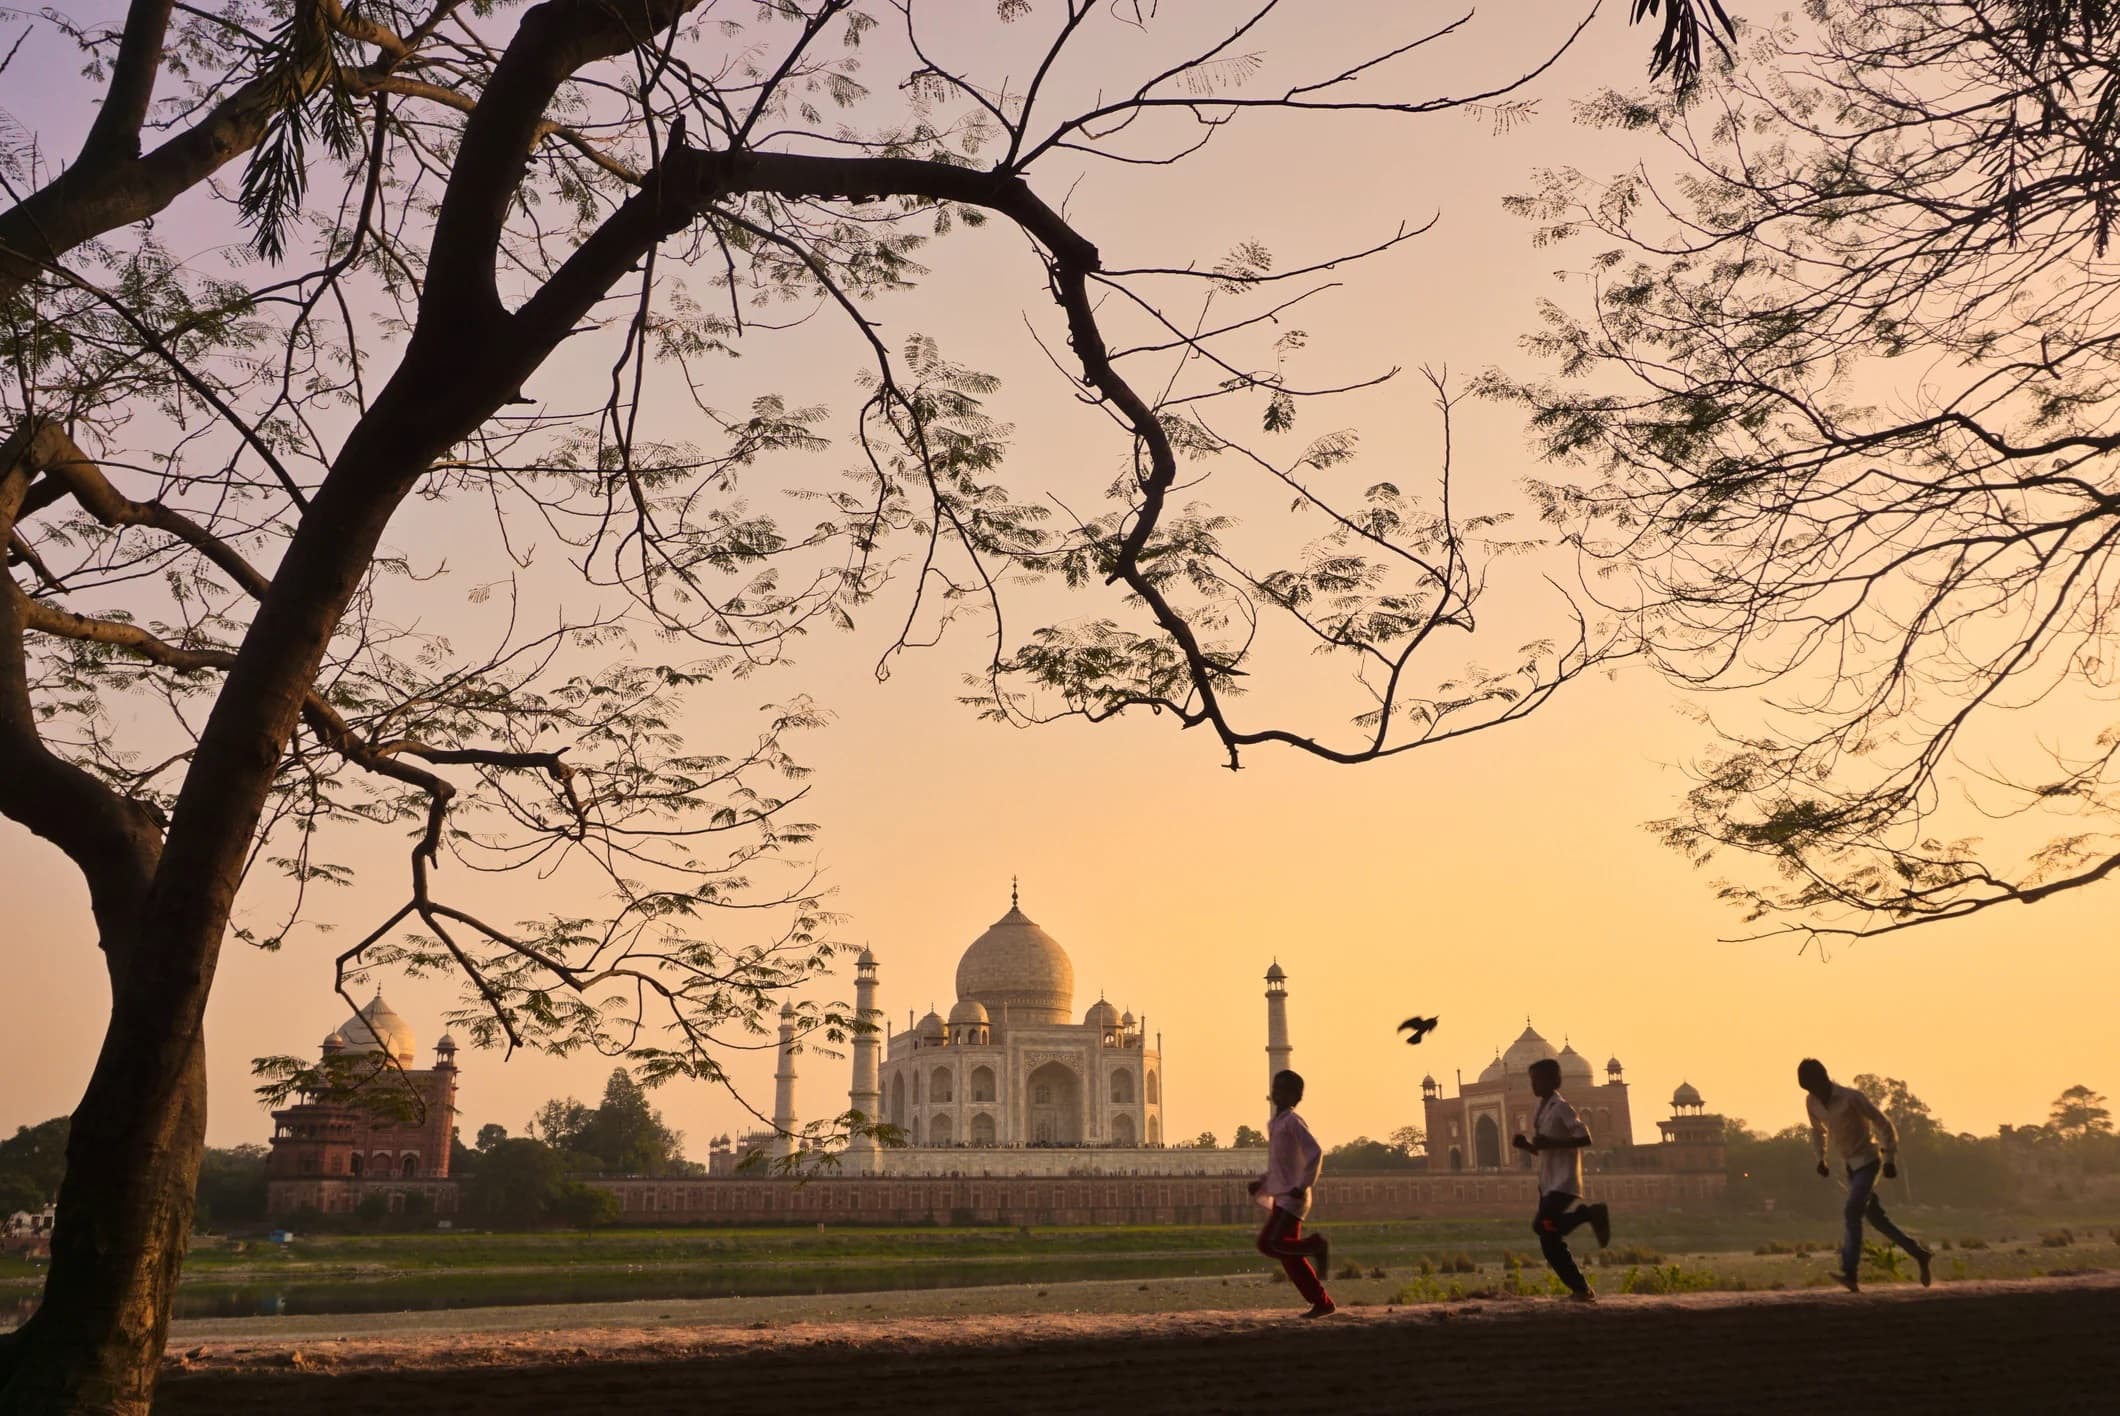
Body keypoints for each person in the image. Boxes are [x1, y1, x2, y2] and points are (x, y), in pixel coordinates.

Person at [1800, 1059, 1933, 1291]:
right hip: (1849, 1167)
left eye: (1814, 1086)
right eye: (1808, 1089)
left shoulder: (1852, 1098)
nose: (1814, 1093)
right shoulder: (1812, 1102)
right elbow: (1817, 1131)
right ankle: (1919, 1253)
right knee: (1877, 1219)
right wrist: (1820, 1158)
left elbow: (1883, 1123)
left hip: (1869, 1161)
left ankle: (1850, 1272)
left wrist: (1890, 1157)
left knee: (1852, 1211)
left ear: (1823, 1079)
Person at [1514, 1056, 1611, 1301]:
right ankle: (1581, 1289)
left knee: (1542, 1226)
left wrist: (1551, 1143)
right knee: (1549, 1239)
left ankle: (1589, 1214)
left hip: (1564, 1182)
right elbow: (1545, 1149)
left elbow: (1585, 1138)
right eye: (1532, 1080)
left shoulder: (1561, 1107)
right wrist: (1526, 1146)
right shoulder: (1540, 1109)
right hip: (1548, 1182)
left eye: (1538, 1079)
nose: (1534, 1085)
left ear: (1554, 1080)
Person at [1249, 1068, 1335, 1317]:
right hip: (1283, 1195)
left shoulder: (1292, 1122)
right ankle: (1322, 1303)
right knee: (1290, 1257)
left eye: (1284, 1090)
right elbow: (1282, 1164)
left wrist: (1303, 1185)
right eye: (1276, 1088)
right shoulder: (1276, 1124)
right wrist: (1263, 1183)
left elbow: (1315, 1152)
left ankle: (1316, 1245)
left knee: (1270, 1243)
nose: (1278, 1093)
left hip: (1294, 1197)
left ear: (1295, 1096)